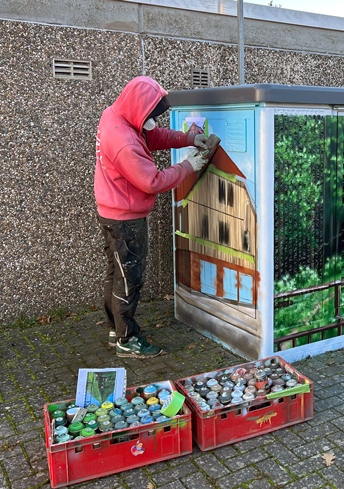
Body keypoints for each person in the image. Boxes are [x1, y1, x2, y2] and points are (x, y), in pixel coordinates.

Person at [94, 76, 211, 358]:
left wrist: (189, 138)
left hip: (111, 210)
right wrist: (189, 166)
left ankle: (115, 328)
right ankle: (126, 339)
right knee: (129, 277)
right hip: (126, 220)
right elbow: (152, 181)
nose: (152, 121)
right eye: (150, 114)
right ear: (139, 109)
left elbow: (153, 136)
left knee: (116, 271)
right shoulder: (123, 141)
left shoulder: (116, 114)